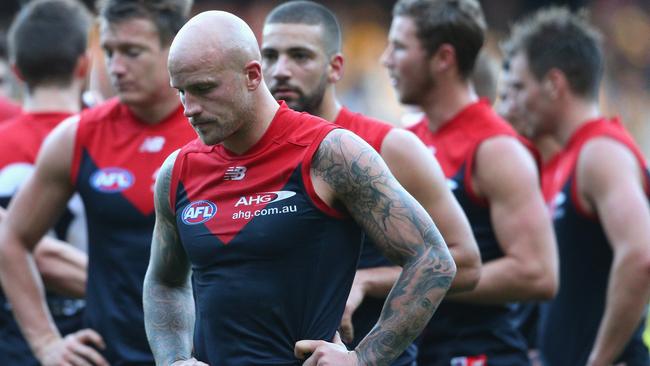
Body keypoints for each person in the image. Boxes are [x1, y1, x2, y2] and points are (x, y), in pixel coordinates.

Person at [143, 10, 457, 366]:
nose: (189, 108)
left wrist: (362, 360)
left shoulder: (330, 153)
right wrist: (174, 360)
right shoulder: (178, 171)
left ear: (252, 75)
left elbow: (433, 259)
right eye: (181, 91)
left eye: (203, 89)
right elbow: (165, 282)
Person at [260, 2, 480, 364]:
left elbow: (465, 263)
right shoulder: (250, 155)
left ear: (336, 68)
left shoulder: (389, 147)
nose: (281, 71)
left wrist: (366, 280)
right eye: (270, 56)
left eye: (300, 56)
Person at [0, 0, 196, 364]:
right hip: (109, 354)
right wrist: (46, 343)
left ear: (173, 50)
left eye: (132, 52)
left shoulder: (214, 130)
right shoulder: (79, 135)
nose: (116, 67)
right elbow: (11, 238)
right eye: (108, 51)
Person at [381, 0, 559, 364]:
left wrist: (394, 282)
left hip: (480, 353)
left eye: (399, 46)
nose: (386, 59)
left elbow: (538, 274)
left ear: (443, 58)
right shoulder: (407, 141)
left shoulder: (496, 149)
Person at [504, 7, 650, 366]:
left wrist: (597, 361)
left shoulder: (600, 153)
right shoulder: (569, 160)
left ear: (554, 84)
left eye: (521, 87)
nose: (515, 103)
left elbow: (641, 256)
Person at [0, 1, 92, 364]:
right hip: (95, 331)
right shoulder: (105, 140)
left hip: (13, 335)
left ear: (17, 71)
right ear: (83, 65)